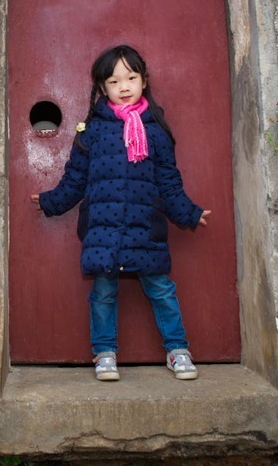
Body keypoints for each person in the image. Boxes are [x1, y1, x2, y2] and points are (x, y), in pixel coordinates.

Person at [31, 44, 210, 382]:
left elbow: (169, 180)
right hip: (104, 230)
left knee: (161, 290)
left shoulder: (155, 128)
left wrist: (188, 213)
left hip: (146, 228)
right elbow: (76, 177)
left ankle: (177, 350)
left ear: (144, 80)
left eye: (131, 77)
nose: (124, 86)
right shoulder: (93, 130)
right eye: (114, 82)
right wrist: (50, 201)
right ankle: (105, 354)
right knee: (103, 293)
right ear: (102, 88)